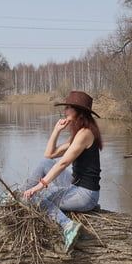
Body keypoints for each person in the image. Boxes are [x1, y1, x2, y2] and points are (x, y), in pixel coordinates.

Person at [20, 90, 103, 251]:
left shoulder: (85, 134)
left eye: (68, 108)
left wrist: (40, 186)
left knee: (38, 199)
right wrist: (56, 131)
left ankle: (68, 226)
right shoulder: (79, 133)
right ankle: (21, 194)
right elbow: (49, 155)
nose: (64, 111)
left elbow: (63, 163)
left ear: (78, 111)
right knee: (45, 163)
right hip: (76, 186)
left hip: (85, 194)